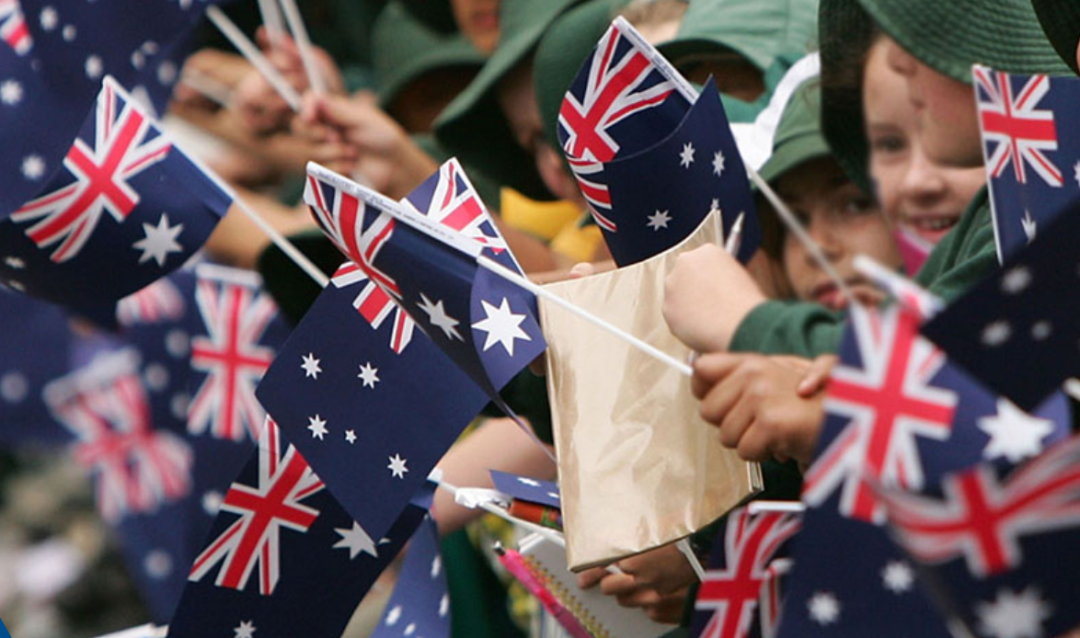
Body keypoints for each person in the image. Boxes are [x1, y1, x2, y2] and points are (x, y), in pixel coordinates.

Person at [664, 0, 1071, 362]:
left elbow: (940, 372)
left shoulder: (1048, 226)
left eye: (854, 204)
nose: (917, 182)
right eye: (889, 145)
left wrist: (746, 323)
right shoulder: (967, 245)